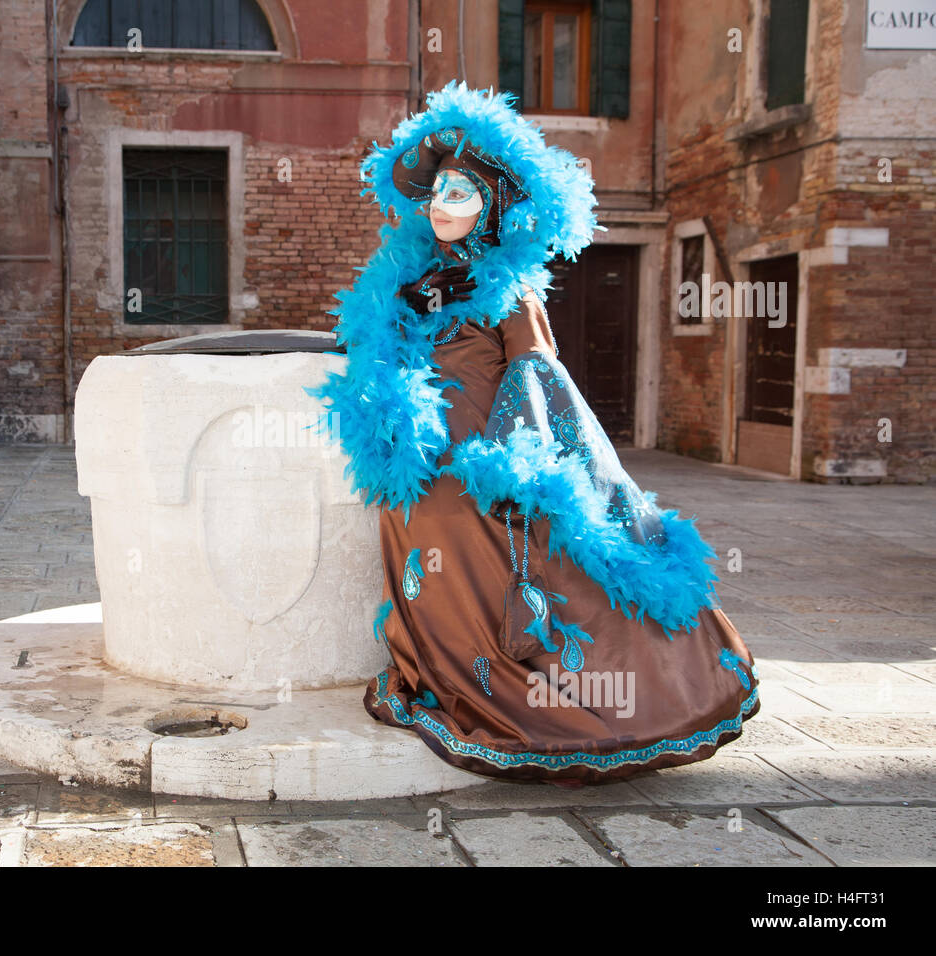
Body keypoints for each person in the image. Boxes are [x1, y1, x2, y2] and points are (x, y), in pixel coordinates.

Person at [308, 82, 759, 785]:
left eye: (459, 194)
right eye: (435, 195)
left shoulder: (509, 288)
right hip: (415, 468)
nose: (439, 206)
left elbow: (541, 379)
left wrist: (517, 463)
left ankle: (587, 703)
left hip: (485, 460)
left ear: (492, 204)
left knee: (513, 567)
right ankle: (438, 672)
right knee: (427, 563)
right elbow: (374, 357)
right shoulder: (405, 280)